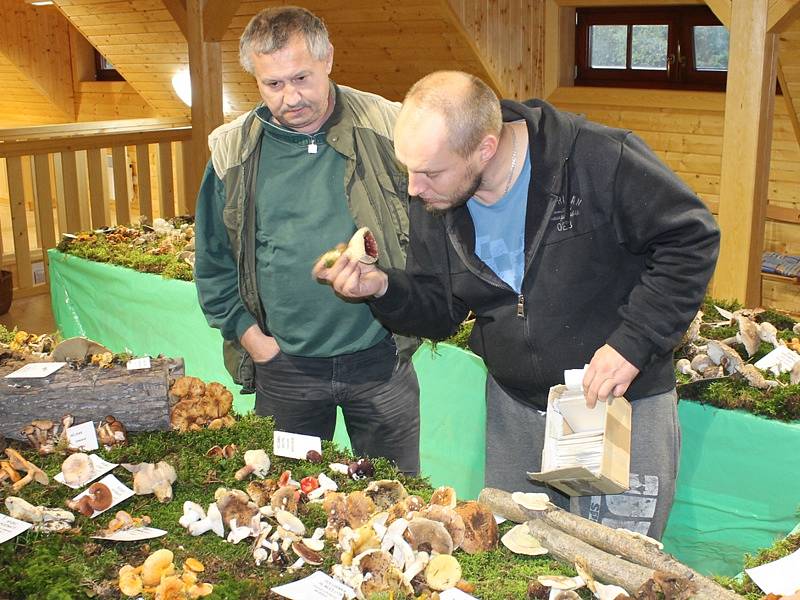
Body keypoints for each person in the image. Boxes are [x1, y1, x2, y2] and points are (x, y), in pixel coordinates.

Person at [314, 70, 720, 538]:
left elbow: (690, 239)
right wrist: (382, 288)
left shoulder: (597, 159)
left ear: (485, 148)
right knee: (513, 562)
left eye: (428, 172)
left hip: (618, 405)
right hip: (517, 414)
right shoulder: (439, 197)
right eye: (408, 169)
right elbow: (441, 311)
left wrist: (633, 343)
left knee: (616, 568)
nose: (413, 188)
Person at [193, 6, 420, 475]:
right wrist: (255, 344)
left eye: (302, 78)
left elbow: (438, 220)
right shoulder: (232, 152)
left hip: (380, 363)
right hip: (286, 370)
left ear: (329, 59)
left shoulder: (390, 128)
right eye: (272, 84)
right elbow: (213, 265)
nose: (290, 97)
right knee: (288, 505)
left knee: (397, 504)